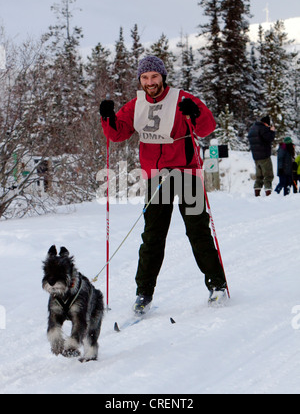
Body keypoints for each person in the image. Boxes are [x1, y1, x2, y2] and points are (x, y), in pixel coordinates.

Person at [99, 55, 227, 313]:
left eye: (154, 77)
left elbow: (206, 127)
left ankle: (217, 285)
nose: (150, 82)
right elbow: (118, 133)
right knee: (152, 237)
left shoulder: (182, 99)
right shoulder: (137, 105)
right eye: (145, 78)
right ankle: (144, 293)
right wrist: (108, 117)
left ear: (163, 76)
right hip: (157, 177)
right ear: (140, 80)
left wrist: (196, 113)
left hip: (187, 173)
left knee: (198, 232)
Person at [248, 116, 276, 197]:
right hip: (264, 155)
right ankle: (268, 192)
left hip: (256, 156)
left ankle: (257, 192)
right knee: (268, 175)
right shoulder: (263, 128)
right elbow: (269, 138)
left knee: (259, 176)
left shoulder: (253, 128)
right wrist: (272, 131)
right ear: (266, 123)